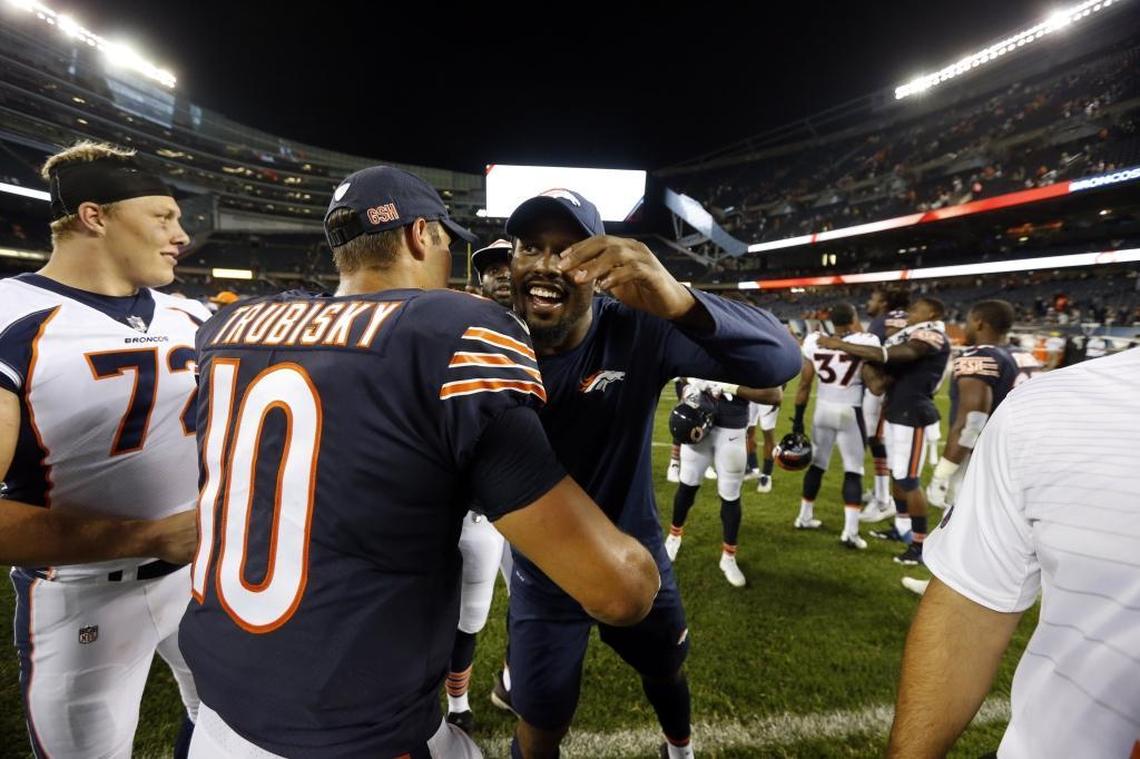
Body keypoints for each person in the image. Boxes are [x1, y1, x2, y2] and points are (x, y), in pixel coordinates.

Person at [179, 167, 661, 758]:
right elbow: (619, 592)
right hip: (362, 732)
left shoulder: (233, 326)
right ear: (418, 237)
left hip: (218, 719)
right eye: (445, 240)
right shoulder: (449, 331)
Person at [499, 188, 801, 759]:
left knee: (666, 670)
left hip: (636, 552)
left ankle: (679, 749)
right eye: (530, 248)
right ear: (510, 259)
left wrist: (680, 301)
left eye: (567, 251)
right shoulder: (485, 341)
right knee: (540, 721)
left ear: (597, 263)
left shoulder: (637, 326)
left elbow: (778, 364)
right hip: (543, 571)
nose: (545, 265)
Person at [0, 141, 205, 758]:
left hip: (200, 575)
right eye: (164, 216)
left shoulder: (189, 313)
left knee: (230, 732)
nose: (182, 235)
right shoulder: (13, 317)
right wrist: (148, 538)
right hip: (80, 593)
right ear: (96, 216)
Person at [888, 347, 1140, 759]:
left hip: (963, 451)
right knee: (976, 556)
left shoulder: (995, 367)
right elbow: (964, 612)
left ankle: (917, 546)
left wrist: (948, 467)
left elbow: (972, 414)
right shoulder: (1045, 403)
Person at [902, 300, 1026, 597]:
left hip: (985, 455)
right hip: (1017, 452)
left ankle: (949, 587)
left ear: (980, 322)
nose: (967, 327)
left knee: (962, 519)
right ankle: (952, 584)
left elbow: (972, 421)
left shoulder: (979, 356)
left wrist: (943, 472)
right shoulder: (1019, 355)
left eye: (969, 321)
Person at [819, 296, 950, 566]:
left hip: (913, 414)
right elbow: (878, 383)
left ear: (933, 312)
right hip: (894, 411)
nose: (911, 312)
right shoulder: (907, 333)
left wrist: (842, 344)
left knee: (909, 479)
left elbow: (905, 353)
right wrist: (866, 355)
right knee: (895, 473)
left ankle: (920, 544)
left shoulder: (932, 333)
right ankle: (901, 526)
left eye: (917, 308)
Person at [447, 235, 517, 731]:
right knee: (468, 614)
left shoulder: (556, 333)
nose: (501, 275)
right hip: (476, 506)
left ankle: (516, 680)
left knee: (538, 603)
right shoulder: (456, 329)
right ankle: (457, 701)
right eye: (491, 268)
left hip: (540, 498)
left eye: (508, 265)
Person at [664, 379, 782, 587]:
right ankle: (674, 537)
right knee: (687, 486)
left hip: (732, 431)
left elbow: (774, 394)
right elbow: (680, 374)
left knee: (730, 496)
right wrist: (688, 389)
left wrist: (732, 388)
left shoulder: (748, 350)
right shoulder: (702, 348)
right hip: (699, 423)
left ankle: (728, 556)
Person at [792, 303, 880, 550]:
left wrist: (798, 420)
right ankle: (850, 532)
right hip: (850, 410)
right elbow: (875, 361)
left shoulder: (814, 341)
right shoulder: (866, 340)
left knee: (817, 466)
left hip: (823, 410)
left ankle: (804, 516)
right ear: (853, 318)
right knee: (854, 470)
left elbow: (804, 385)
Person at [859, 287, 909, 523]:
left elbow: (874, 355)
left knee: (877, 441)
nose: (869, 302)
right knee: (883, 442)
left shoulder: (882, 322)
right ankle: (882, 492)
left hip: (880, 390)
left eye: (873, 298)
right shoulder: (906, 319)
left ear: (885, 302)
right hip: (899, 389)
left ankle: (883, 500)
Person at [472, 237, 513, 308]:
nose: (503, 275)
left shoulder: (536, 317)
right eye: (494, 271)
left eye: (512, 269)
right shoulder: (467, 317)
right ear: (481, 279)